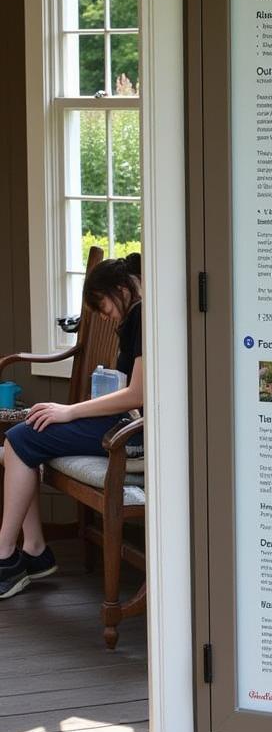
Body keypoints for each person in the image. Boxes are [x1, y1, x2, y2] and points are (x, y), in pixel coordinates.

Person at [0, 253, 143, 598]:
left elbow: (137, 395)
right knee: (19, 442)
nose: (106, 315)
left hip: (133, 434)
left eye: (104, 305)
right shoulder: (135, 316)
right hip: (125, 422)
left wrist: (71, 411)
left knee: (20, 441)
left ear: (122, 288)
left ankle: (8, 555)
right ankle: (32, 549)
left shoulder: (143, 316)